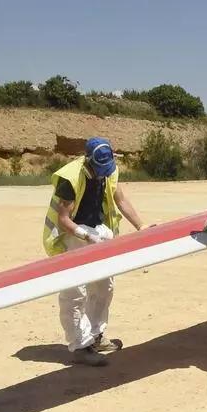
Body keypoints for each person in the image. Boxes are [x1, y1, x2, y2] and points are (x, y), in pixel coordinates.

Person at [42, 137, 148, 366]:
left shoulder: (109, 169)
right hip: (76, 234)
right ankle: (80, 346)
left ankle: (96, 336)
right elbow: (63, 219)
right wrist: (86, 236)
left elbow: (121, 200)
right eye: (100, 169)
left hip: (99, 232)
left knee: (104, 286)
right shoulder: (70, 178)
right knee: (75, 291)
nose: (103, 173)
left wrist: (141, 226)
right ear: (88, 161)